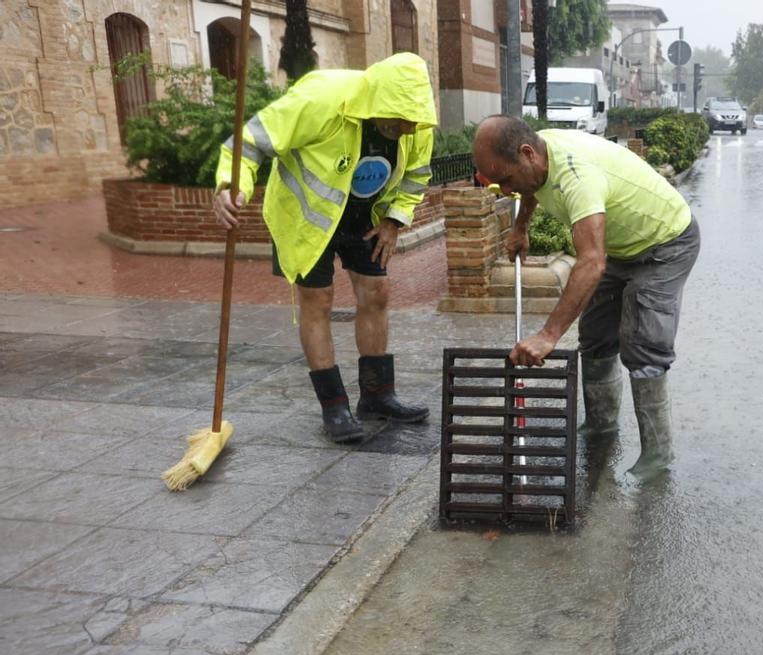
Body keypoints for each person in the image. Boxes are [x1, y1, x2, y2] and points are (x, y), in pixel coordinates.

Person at [213, 53, 438, 443]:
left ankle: (378, 396)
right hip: (306, 220)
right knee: (317, 300)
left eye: (412, 122)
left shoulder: (416, 123)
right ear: (380, 103)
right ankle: (334, 407)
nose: (406, 129)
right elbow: (249, 142)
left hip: (365, 218)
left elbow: (417, 174)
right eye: (399, 121)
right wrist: (233, 186)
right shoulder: (320, 99)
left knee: (377, 294)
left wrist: (395, 220)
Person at [472, 116, 701, 482]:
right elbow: (529, 188)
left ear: (527, 154)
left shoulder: (578, 177)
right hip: (621, 247)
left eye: (506, 180)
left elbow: (591, 262)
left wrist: (548, 335)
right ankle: (601, 426)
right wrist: (520, 227)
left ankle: (658, 454)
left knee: (643, 343)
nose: (505, 189)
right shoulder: (537, 156)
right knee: (594, 337)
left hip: (665, 243)